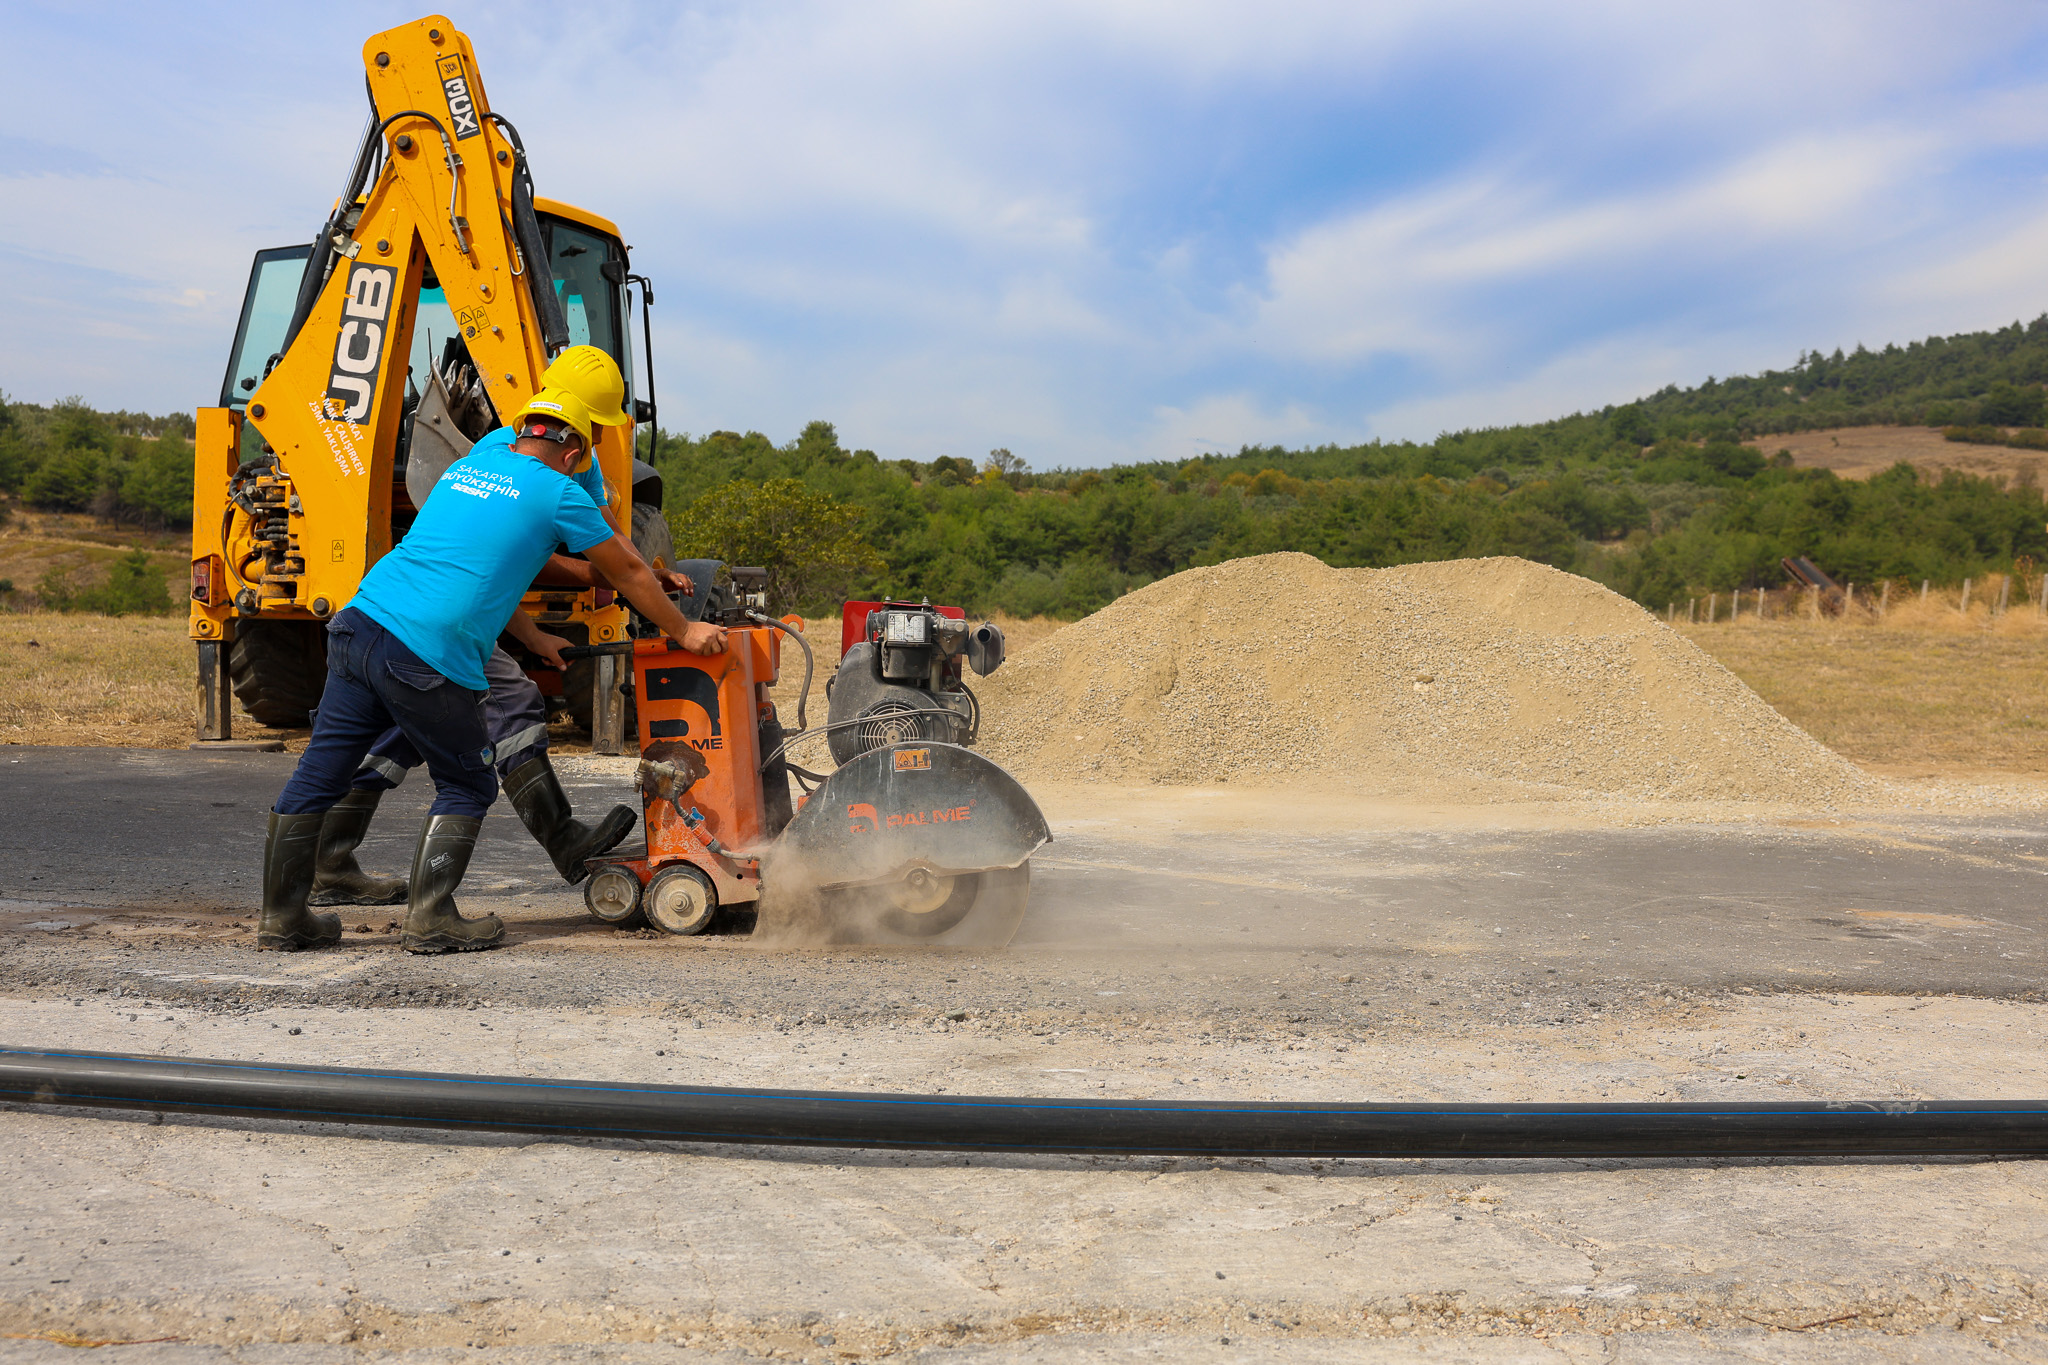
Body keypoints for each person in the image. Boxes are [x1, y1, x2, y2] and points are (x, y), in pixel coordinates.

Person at [258, 384, 725, 954]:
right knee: (468, 779)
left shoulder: (470, 467)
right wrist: (684, 628)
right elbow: (627, 567)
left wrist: (531, 635)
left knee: (320, 770)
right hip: (425, 649)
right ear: (576, 453)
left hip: (360, 623)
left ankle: (283, 917)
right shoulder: (559, 490)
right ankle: (431, 917)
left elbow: (487, 559)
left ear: (527, 427)